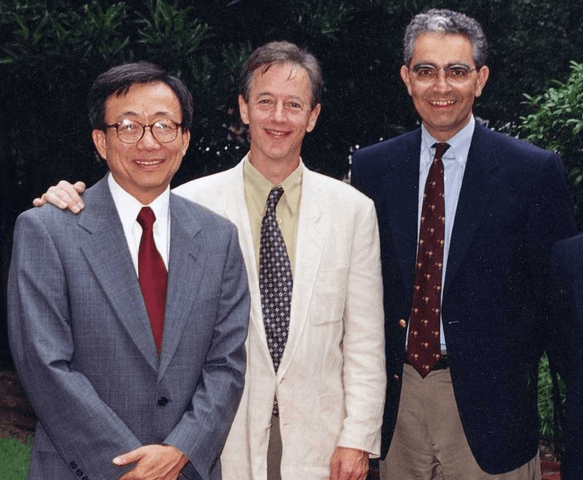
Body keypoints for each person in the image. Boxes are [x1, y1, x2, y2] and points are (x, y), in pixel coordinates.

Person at [32, 42, 386, 480]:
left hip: (317, 439)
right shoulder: (190, 202)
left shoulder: (352, 210)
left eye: (293, 104)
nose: (278, 117)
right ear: (243, 108)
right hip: (223, 444)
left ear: (312, 116)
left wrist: (359, 436)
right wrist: (63, 200)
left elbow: (365, 341)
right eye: (264, 101)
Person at [351, 8, 580, 480]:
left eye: (457, 71)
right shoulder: (372, 169)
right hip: (397, 409)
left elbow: (560, 311)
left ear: (480, 79)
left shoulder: (532, 172)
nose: (441, 87)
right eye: (426, 71)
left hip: (492, 416)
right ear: (406, 78)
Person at [8, 62, 250, 480]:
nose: (148, 141)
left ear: (185, 138)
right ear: (101, 141)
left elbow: (226, 364)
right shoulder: (47, 230)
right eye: (128, 126)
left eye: (163, 125)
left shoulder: (218, 239)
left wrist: (179, 451)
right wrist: (130, 465)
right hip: (83, 469)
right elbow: (44, 365)